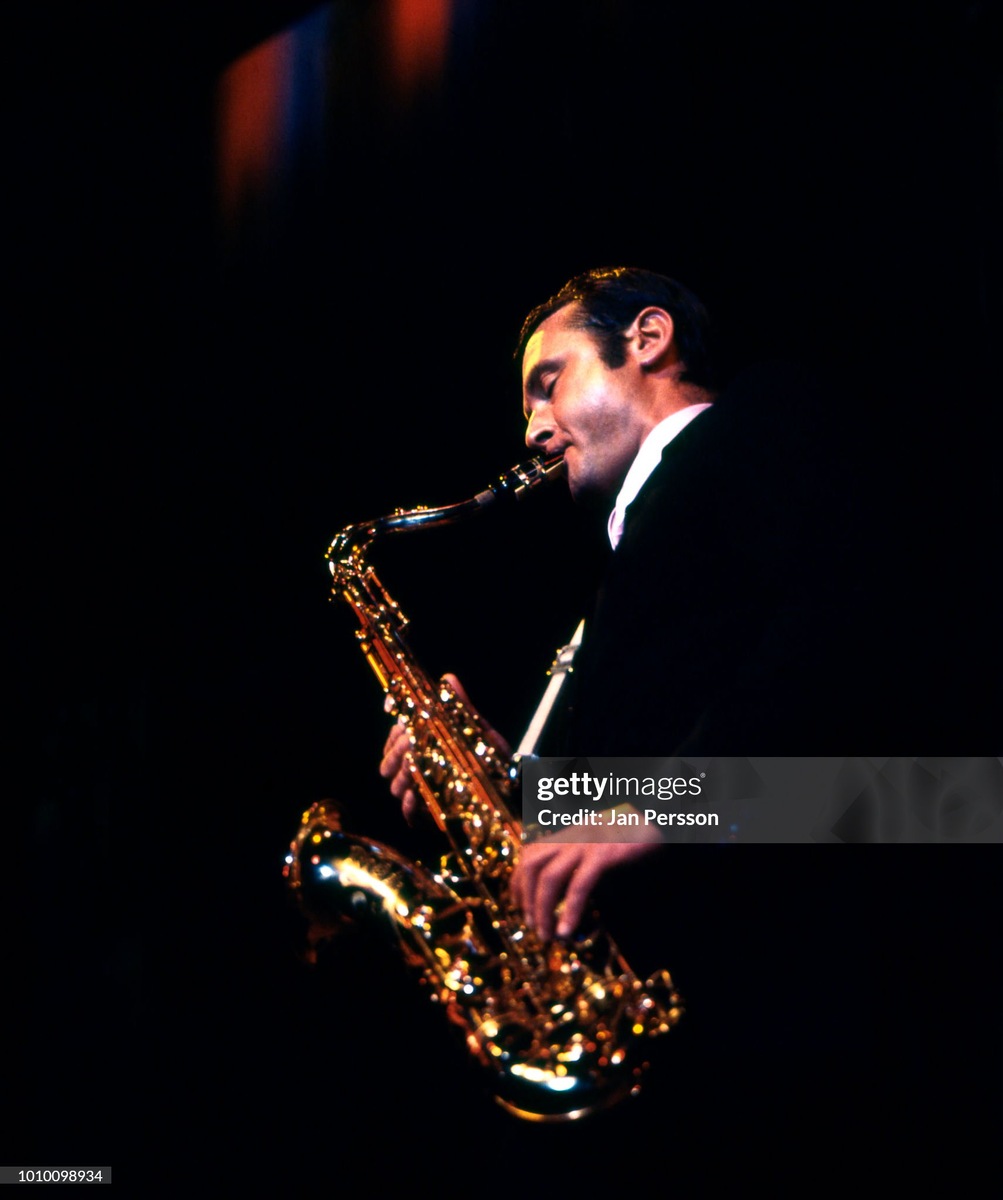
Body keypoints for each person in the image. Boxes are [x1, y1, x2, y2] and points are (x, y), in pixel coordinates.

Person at [380, 265, 891, 942]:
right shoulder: (625, 576)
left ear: (648, 337)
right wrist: (500, 789)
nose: (533, 430)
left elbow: (847, 675)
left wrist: (654, 807)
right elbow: (629, 788)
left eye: (549, 385)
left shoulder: (762, 416)